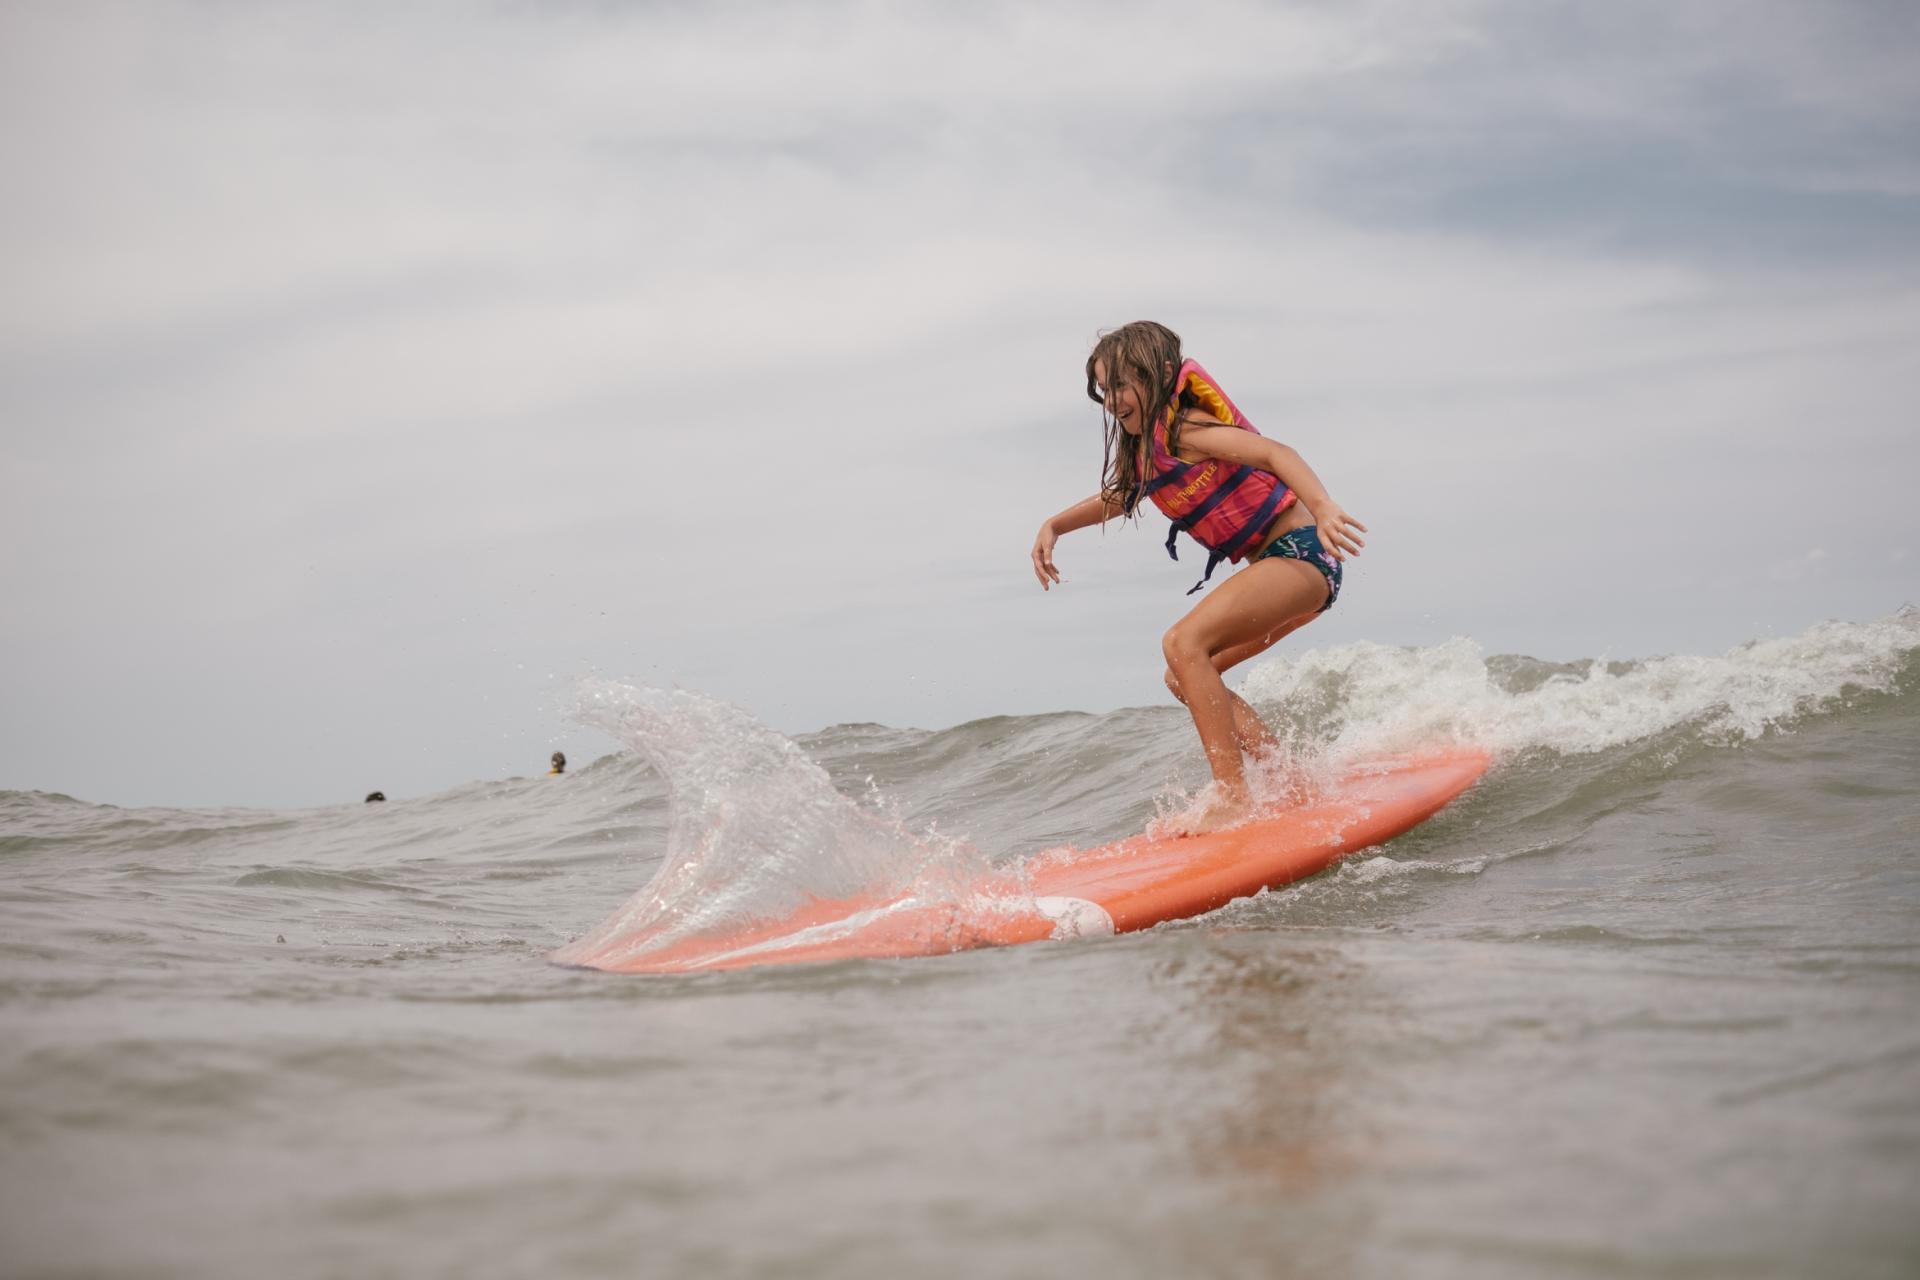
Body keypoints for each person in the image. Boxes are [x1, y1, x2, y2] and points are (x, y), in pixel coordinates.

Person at [1031, 321, 1366, 833]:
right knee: (1184, 672)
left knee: (1183, 642)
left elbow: (1277, 453)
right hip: (1288, 571)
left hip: (1302, 554)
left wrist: (1322, 506)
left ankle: (1233, 797)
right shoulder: (1152, 452)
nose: (1113, 400)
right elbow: (1119, 498)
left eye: (1123, 384)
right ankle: (1290, 779)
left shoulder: (1188, 429)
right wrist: (1055, 524)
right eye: (1105, 389)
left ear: (1162, 374)